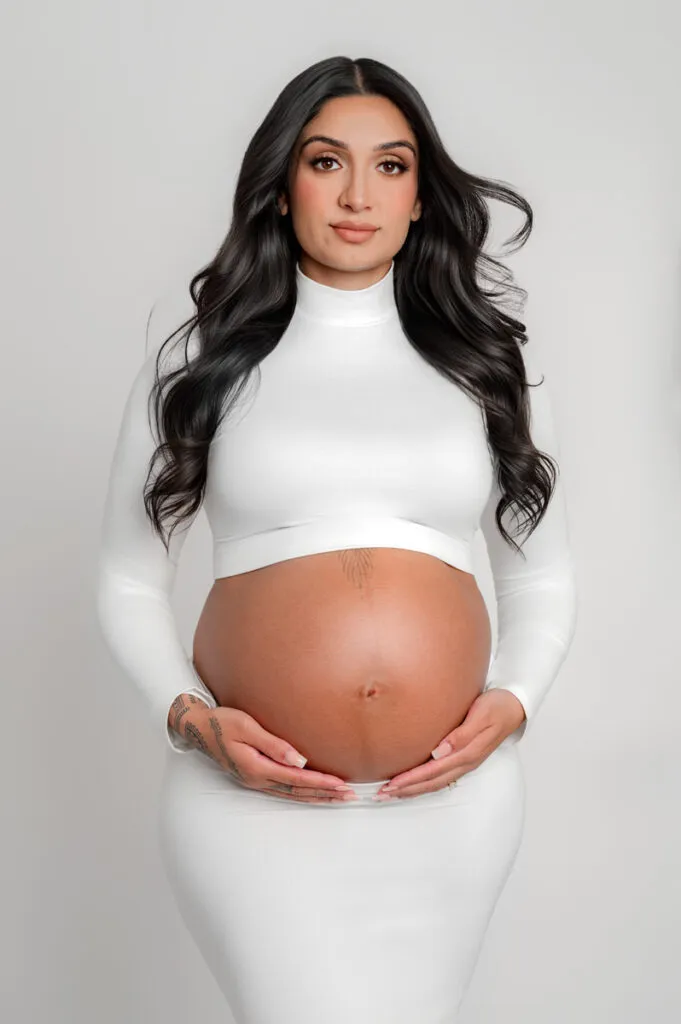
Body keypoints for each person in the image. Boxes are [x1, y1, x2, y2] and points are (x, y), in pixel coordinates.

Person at [95, 54, 578, 1024]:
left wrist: (515, 703)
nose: (359, 194)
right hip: (250, 811)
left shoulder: (488, 366)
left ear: (420, 197)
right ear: (282, 186)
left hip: (453, 813)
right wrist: (193, 720)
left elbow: (545, 582)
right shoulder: (204, 357)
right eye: (327, 162)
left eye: (391, 166)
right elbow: (126, 579)